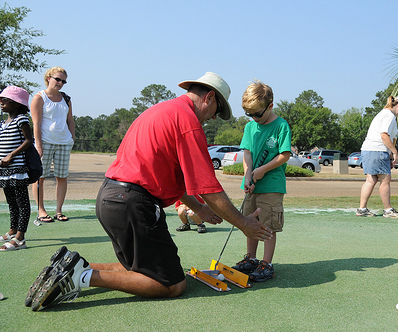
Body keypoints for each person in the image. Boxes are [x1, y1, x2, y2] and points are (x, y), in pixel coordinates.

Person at [26, 72, 273, 311]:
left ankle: (72, 265)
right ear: (208, 97)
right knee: (172, 284)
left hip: (110, 198)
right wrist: (243, 223)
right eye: (217, 110)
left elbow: (168, 177)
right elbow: (209, 188)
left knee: (138, 268)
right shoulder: (188, 123)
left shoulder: (161, 111)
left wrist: (197, 208)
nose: (214, 117)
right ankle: (82, 276)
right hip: (133, 203)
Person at [232, 81, 291, 282]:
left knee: (267, 225)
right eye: (250, 114)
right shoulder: (250, 127)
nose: (254, 118)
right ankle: (251, 259)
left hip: (271, 185)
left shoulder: (280, 125)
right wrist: (248, 174)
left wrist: (263, 170)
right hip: (251, 184)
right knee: (251, 222)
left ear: (270, 106)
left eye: (258, 113)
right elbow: (247, 154)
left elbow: (284, 155)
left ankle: (266, 263)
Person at [31, 67, 75, 223]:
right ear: (48, 78)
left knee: (62, 177)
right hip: (45, 142)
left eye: (63, 81)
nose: (60, 83)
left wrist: (72, 138)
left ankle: (58, 211)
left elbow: (70, 121)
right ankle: (41, 210)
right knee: (40, 178)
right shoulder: (39, 97)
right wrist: (38, 145)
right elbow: (36, 124)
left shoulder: (66, 99)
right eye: (58, 79)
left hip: (64, 143)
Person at [356, 96, 398, 218]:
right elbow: (384, 135)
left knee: (371, 179)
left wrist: (389, 156)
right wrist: (395, 152)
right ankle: (388, 210)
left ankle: (362, 209)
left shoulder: (383, 114)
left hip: (369, 149)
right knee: (385, 179)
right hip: (377, 149)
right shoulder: (389, 115)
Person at [0, 86, 33, 251]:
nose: (1, 102)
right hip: (4, 171)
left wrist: (11, 155)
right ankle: (13, 231)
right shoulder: (2, 123)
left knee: (22, 203)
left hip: (17, 169)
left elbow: (29, 140)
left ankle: (21, 238)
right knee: (11, 202)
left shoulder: (22, 119)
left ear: (17, 103)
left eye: (5, 100)